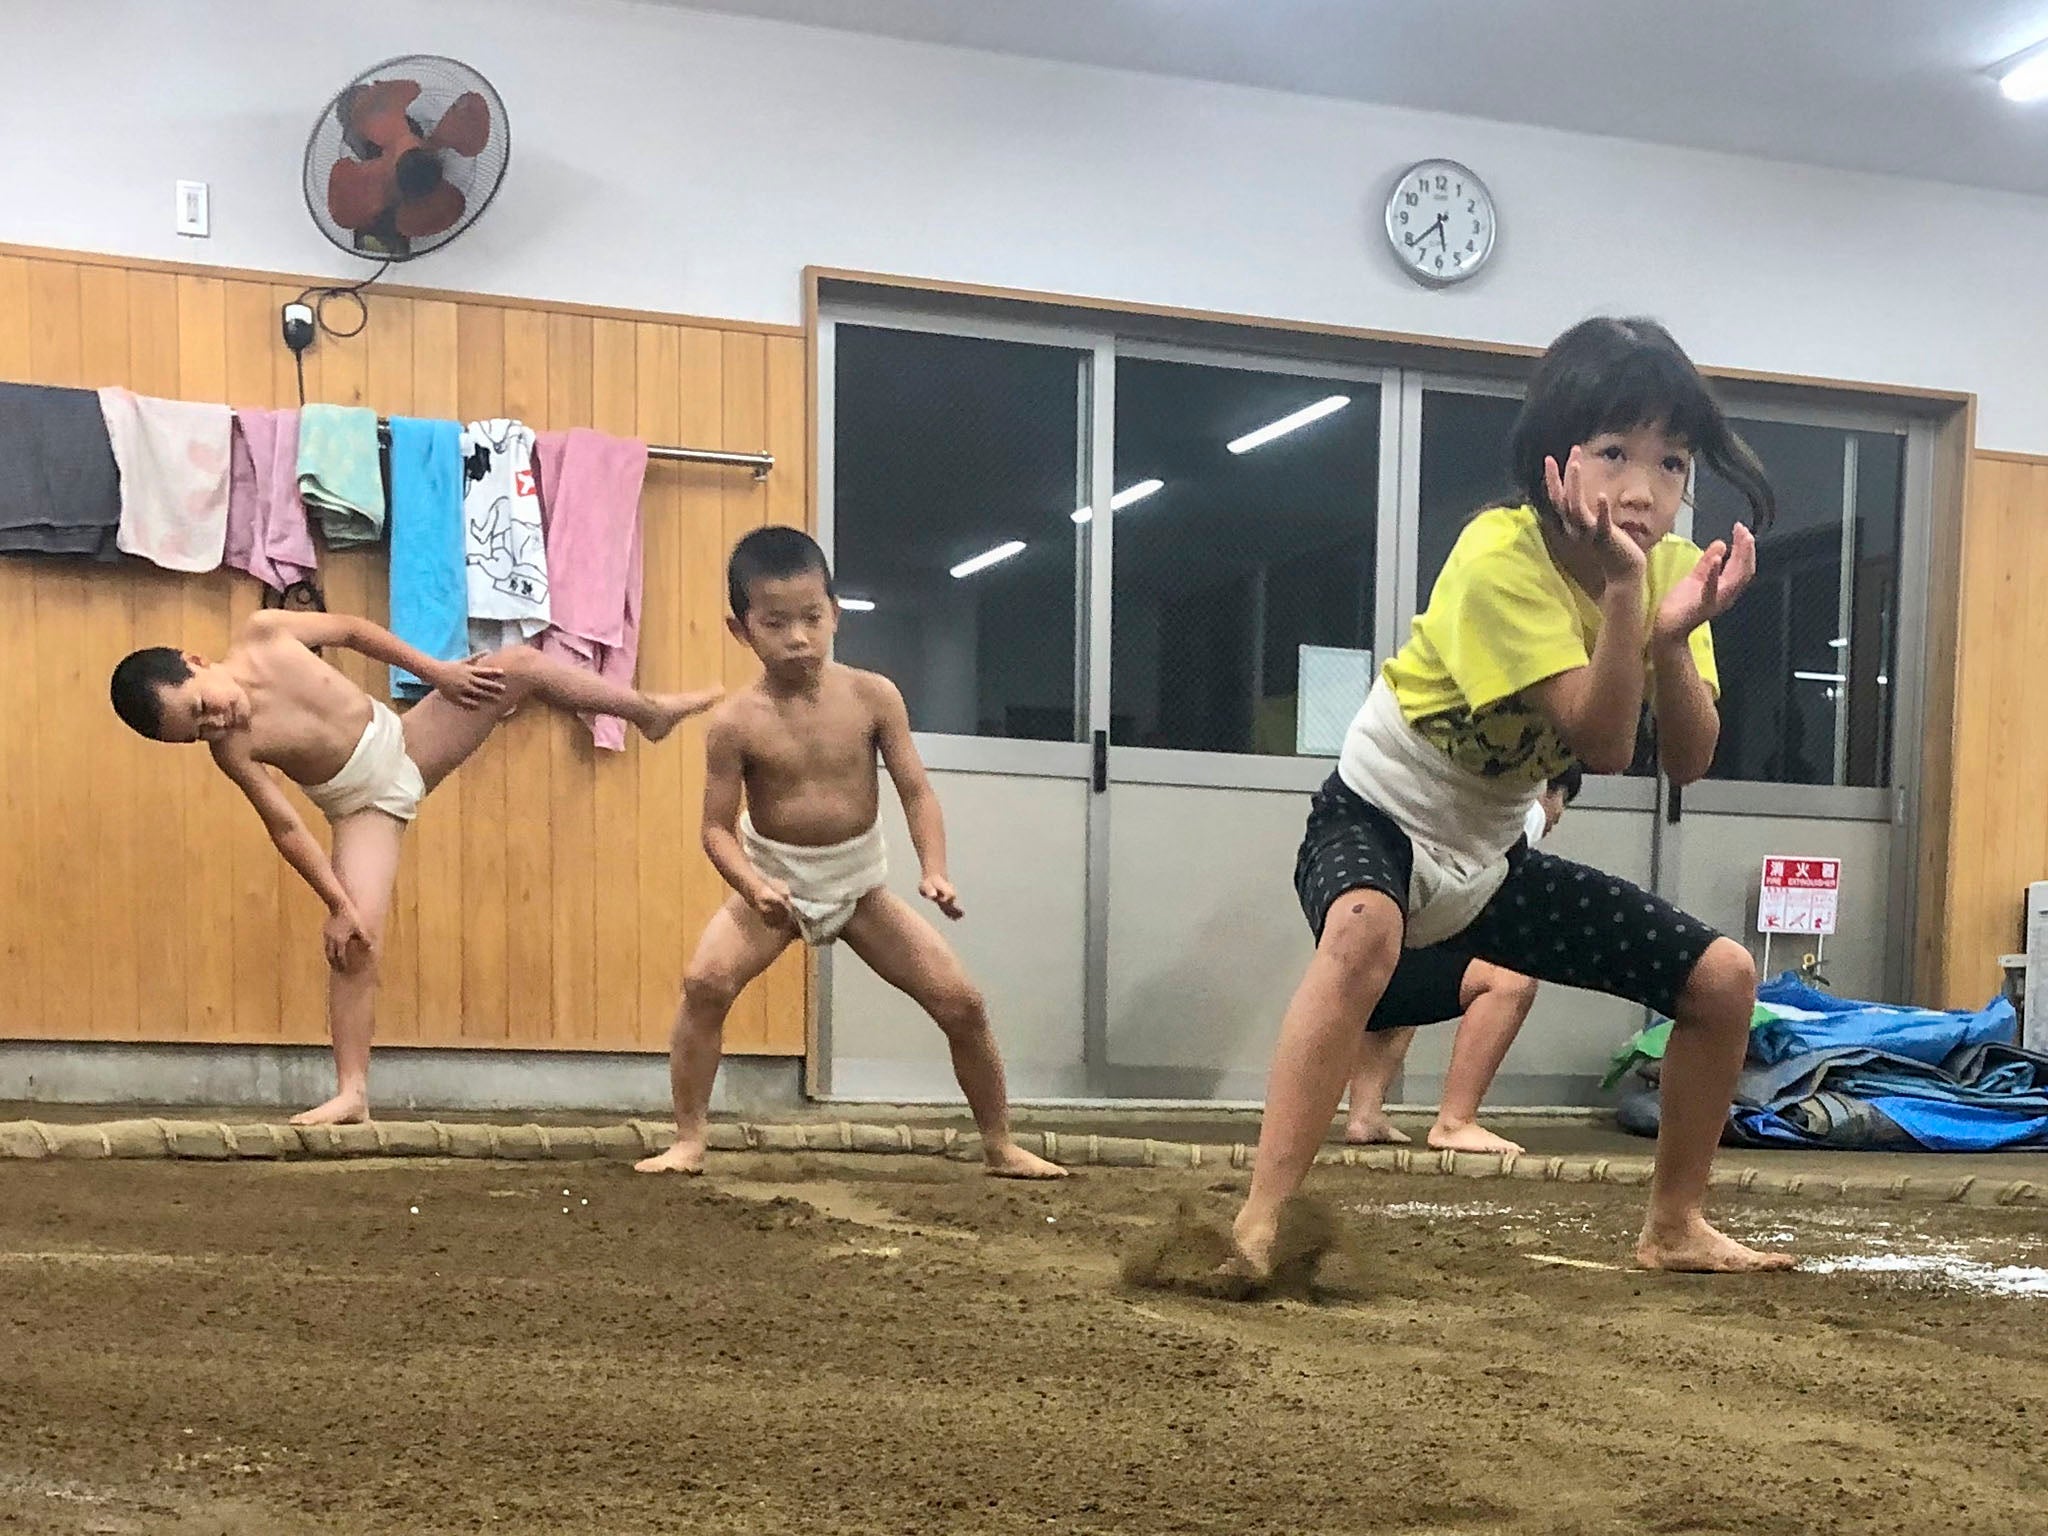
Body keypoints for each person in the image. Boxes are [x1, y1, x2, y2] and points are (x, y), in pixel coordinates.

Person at [1232, 316, 1795, 1278]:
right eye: (1614, 451)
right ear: (1553, 460)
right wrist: (1627, 603)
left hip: (1492, 856)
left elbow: (1689, 760)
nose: (1642, 488)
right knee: (1362, 933)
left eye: (1671, 462)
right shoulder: (1499, 553)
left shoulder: (1669, 572)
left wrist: (1668, 636)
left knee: (1724, 979)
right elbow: (1605, 745)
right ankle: (1258, 1221)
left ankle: (1673, 1225)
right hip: (1374, 813)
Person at [108, 612, 720, 1125]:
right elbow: (286, 826)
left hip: (407, 742)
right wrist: (337, 905)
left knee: (521, 665)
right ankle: (353, 1092)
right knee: (356, 942)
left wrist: (438, 673)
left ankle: (647, 711)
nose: (214, 725)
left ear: (196, 661)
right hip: (360, 807)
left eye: (201, 709)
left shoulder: (266, 632)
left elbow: (351, 631)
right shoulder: (233, 749)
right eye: (196, 733)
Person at [633, 528, 1065, 1180]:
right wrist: (753, 887)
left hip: (859, 886)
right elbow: (716, 830)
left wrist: (935, 869)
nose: (798, 637)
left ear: (836, 612)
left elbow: (917, 790)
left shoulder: (873, 696)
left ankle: (1000, 1143)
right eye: (775, 623)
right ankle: (689, 1139)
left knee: (963, 1004)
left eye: (812, 618)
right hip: (774, 882)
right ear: (740, 628)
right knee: (704, 984)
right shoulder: (735, 723)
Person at [1344, 767, 1580, 1155]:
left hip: (1371, 955)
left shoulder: (1445, 799)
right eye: (1563, 799)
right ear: (1543, 789)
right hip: (1382, 952)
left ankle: (1364, 1117)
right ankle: (1456, 1122)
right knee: (1510, 981)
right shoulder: (1524, 812)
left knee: (1414, 971)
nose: (1560, 815)